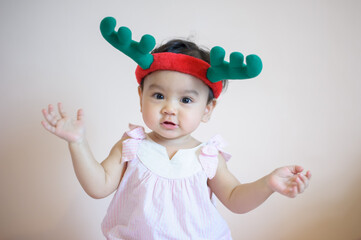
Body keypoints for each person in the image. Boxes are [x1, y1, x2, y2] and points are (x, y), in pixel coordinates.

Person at [41, 29, 311, 239]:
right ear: (141, 96)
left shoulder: (207, 156)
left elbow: (235, 198)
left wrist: (268, 184)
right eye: (159, 95)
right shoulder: (132, 145)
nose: (169, 108)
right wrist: (78, 143)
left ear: (207, 109)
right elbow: (98, 186)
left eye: (185, 100)